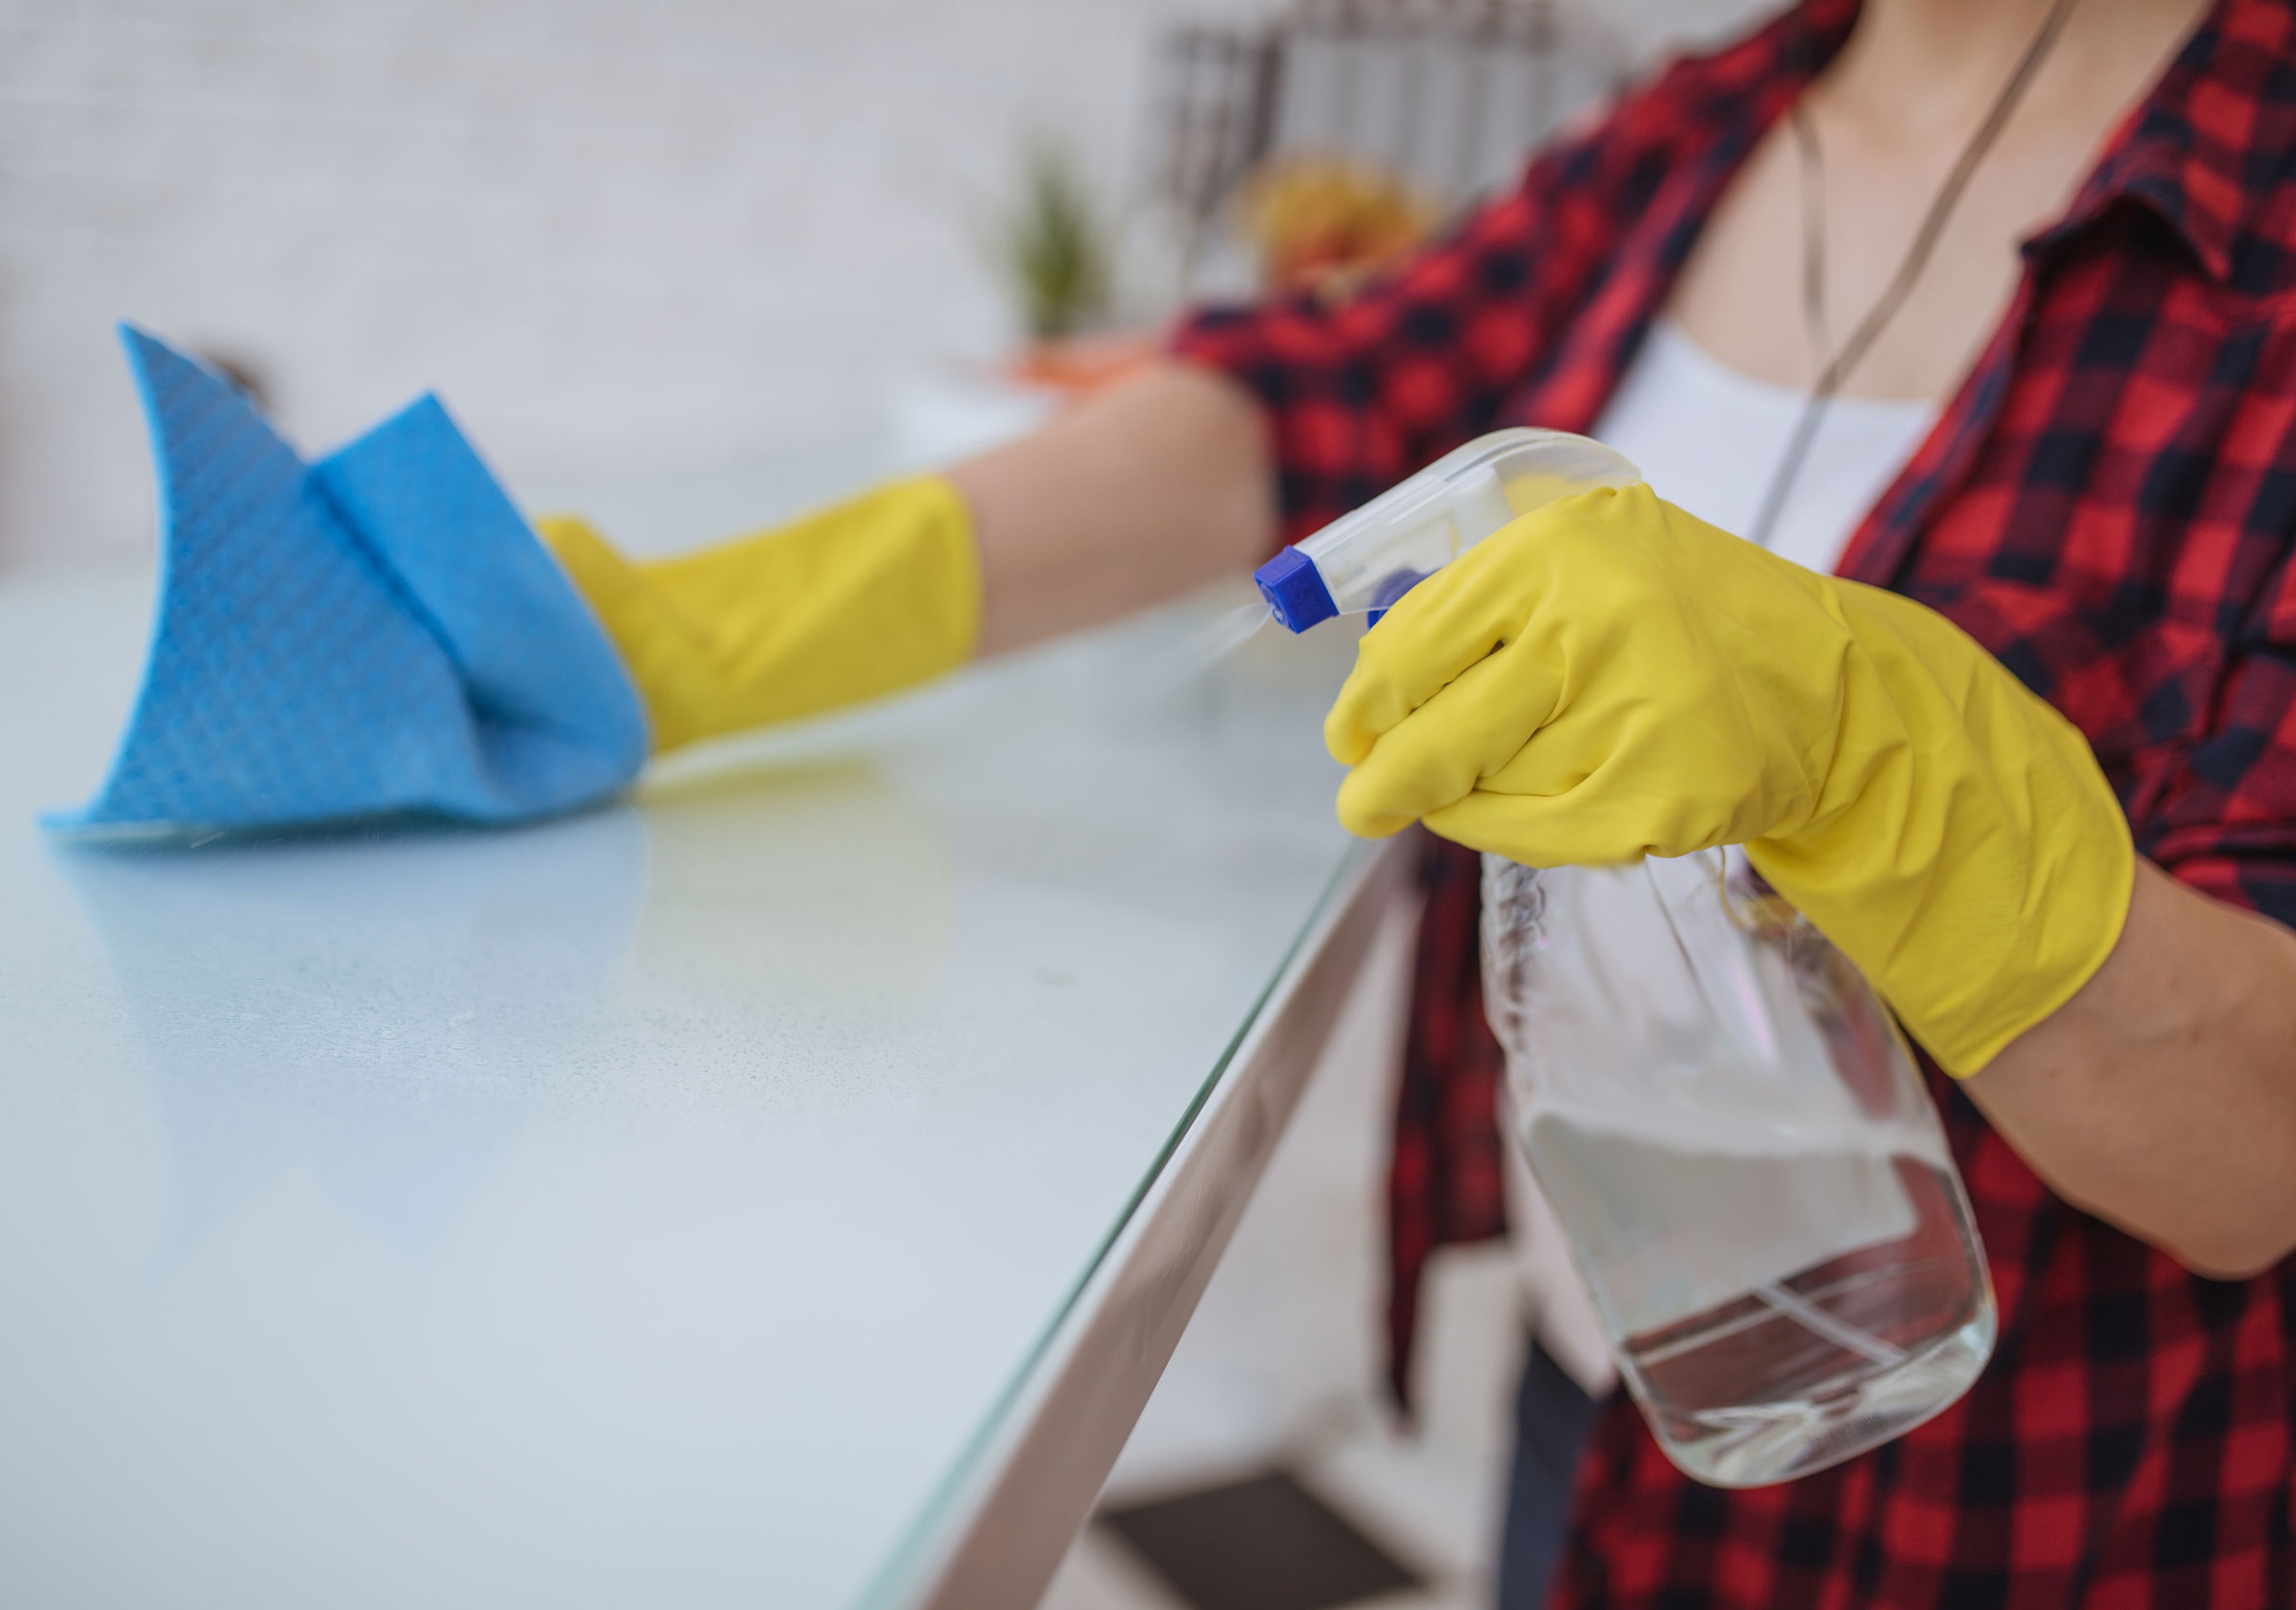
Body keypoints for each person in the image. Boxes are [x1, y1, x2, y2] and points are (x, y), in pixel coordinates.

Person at [543, 0, 2296, 1601]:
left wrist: (1876, 749)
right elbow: (1323, 396)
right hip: (1624, 1380)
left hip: (2032, 1500)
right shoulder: (1713, 122)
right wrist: (725, 627)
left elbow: (2259, 1154)